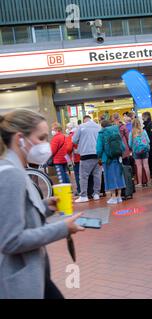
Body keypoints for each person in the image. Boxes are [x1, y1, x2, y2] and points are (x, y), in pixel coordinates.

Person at [0, 109, 84, 299]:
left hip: (32, 275)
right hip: (18, 280)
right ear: (20, 138)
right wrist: (62, 228)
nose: (46, 145)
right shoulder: (10, 173)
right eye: (41, 138)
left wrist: (46, 206)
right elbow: (10, 240)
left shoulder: (16, 169)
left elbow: (17, 212)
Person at [72, 115, 102, 203]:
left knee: (83, 176)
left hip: (85, 154)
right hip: (97, 154)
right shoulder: (98, 127)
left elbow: (74, 140)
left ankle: (84, 195)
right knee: (97, 175)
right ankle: (96, 194)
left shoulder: (81, 126)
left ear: (84, 120)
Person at [97, 120, 126, 205]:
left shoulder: (101, 133)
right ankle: (119, 197)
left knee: (110, 176)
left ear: (102, 126)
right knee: (119, 175)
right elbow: (122, 146)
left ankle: (113, 197)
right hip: (117, 157)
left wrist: (99, 156)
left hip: (107, 158)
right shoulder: (116, 131)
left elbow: (99, 148)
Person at [129, 118, 151, 188]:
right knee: (146, 165)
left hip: (136, 151)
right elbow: (148, 141)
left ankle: (140, 183)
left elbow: (129, 143)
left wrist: (133, 147)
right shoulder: (143, 131)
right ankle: (149, 182)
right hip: (145, 150)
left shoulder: (132, 132)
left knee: (139, 166)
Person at [67, 123, 81, 195]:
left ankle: (80, 190)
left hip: (76, 158)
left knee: (78, 175)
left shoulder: (71, 135)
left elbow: (69, 148)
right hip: (84, 156)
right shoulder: (81, 133)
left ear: (70, 128)